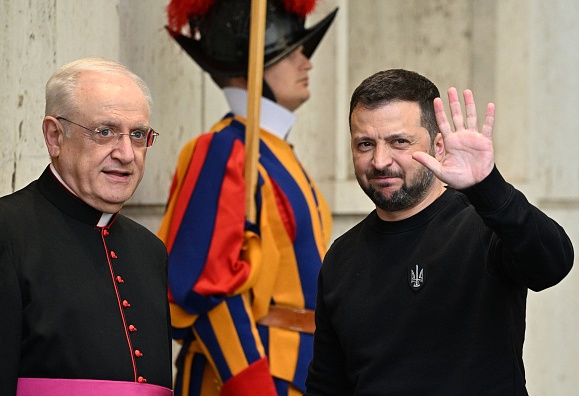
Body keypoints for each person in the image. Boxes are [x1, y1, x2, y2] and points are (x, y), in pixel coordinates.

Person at [305, 69, 574, 395]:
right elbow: (326, 385)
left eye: (398, 142)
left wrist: (488, 187)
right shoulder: (341, 257)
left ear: (438, 145)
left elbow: (553, 263)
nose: (379, 160)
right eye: (365, 144)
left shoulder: (484, 226)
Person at [157, 0, 337, 394]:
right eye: (292, 53)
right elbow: (202, 285)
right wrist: (250, 382)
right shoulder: (225, 149)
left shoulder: (278, 153)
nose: (306, 63)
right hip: (248, 379)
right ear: (250, 64)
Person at [0, 58, 172, 395]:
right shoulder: (8, 232)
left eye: (137, 135)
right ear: (55, 136)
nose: (126, 153)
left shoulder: (151, 250)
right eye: (105, 131)